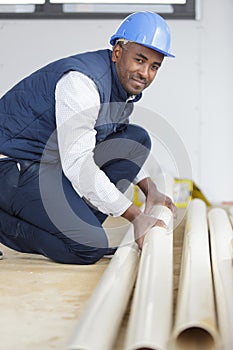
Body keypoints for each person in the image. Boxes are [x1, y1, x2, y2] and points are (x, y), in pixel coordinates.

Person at [0, 11, 176, 264]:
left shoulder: (119, 87)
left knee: (136, 140)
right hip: (11, 165)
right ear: (117, 52)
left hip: (46, 164)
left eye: (154, 66)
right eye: (140, 60)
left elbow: (115, 141)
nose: (145, 73)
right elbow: (79, 164)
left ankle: (76, 230)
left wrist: (152, 191)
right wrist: (137, 216)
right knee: (87, 248)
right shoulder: (81, 84)